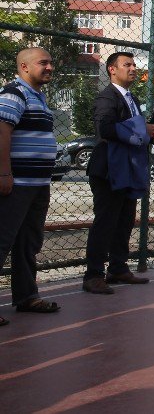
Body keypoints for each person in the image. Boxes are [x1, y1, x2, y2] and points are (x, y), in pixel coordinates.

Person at [83, 51, 154, 295]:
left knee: (124, 221)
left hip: (128, 169)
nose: (133, 69)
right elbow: (106, 129)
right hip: (109, 170)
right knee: (105, 222)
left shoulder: (132, 98)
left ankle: (118, 267)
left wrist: (151, 135)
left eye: (134, 64)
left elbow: (132, 134)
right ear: (112, 69)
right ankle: (93, 275)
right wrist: (143, 127)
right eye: (127, 65)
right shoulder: (106, 98)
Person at [0, 48, 61, 324]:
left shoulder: (39, 97)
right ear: (24, 67)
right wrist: (3, 174)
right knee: (2, 240)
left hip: (37, 184)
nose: (49, 67)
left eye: (50, 63)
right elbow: (2, 131)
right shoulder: (15, 93)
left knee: (28, 242)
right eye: (43, 63)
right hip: (18, 184)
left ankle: (26, 296)